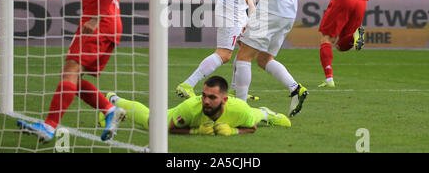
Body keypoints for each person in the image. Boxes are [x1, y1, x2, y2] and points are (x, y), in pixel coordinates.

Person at [17, 0, 126, 143]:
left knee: (70, 71)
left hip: (101, 23)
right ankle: (109, 110)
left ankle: (48, 126)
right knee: (72, 77)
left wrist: (96, 17)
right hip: (109, 22)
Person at [101, 76, 291, 135]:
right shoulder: (191, 107)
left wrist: (233, 132)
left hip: (236, 113)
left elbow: (252, 127)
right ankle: (112, 101)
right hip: (177, 116)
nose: (206, 101)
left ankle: (267, 113)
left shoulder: (238, 108)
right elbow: (171, 129)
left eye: (212, 98)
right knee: (153, 123)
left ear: (224, 99)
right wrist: (195, 132)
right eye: (204, 95)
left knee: (254, 115)